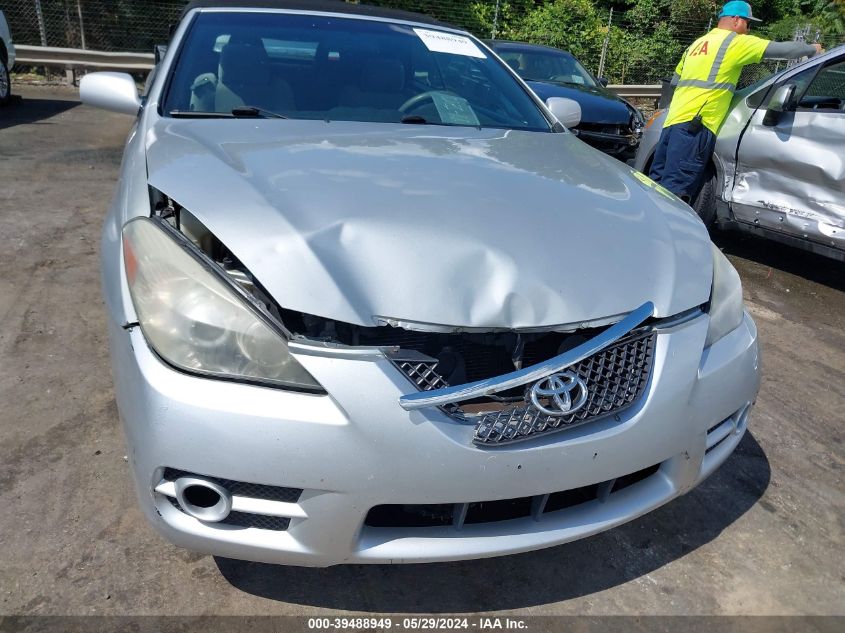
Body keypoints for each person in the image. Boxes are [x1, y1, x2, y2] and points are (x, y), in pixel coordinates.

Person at [649, 1, 823, 203]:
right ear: (736, 20)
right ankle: (669, 232)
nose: (749, 30)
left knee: (656, 184)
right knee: (675, 193)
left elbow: (675, 82)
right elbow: (783, 50)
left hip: (672, 124)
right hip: (696, 127)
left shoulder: (697, 45)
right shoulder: (734, 42)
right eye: (748, 24)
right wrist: (812, 49)